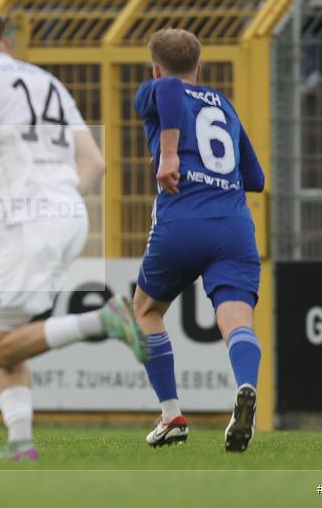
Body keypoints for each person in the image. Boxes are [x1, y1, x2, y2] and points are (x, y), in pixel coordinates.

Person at [0, 8, 148, 462]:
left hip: (30, 222)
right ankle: (20, 442)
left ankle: (104, 320)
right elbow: (96, 163)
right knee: (10, 338)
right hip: (70, 214)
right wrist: (60, 203)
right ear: (7, 42)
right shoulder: (47, 81)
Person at [132, 28, 265, 453]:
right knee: (238, 323)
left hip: (183, 219)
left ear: (155, 69)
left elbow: (170, 90)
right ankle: (245, 386)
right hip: (234, 226)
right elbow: (256, 178)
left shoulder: (156, 89)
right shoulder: (224, 105)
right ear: (200, 68)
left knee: (146, 310)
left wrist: (170, 152)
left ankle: (171, 415)